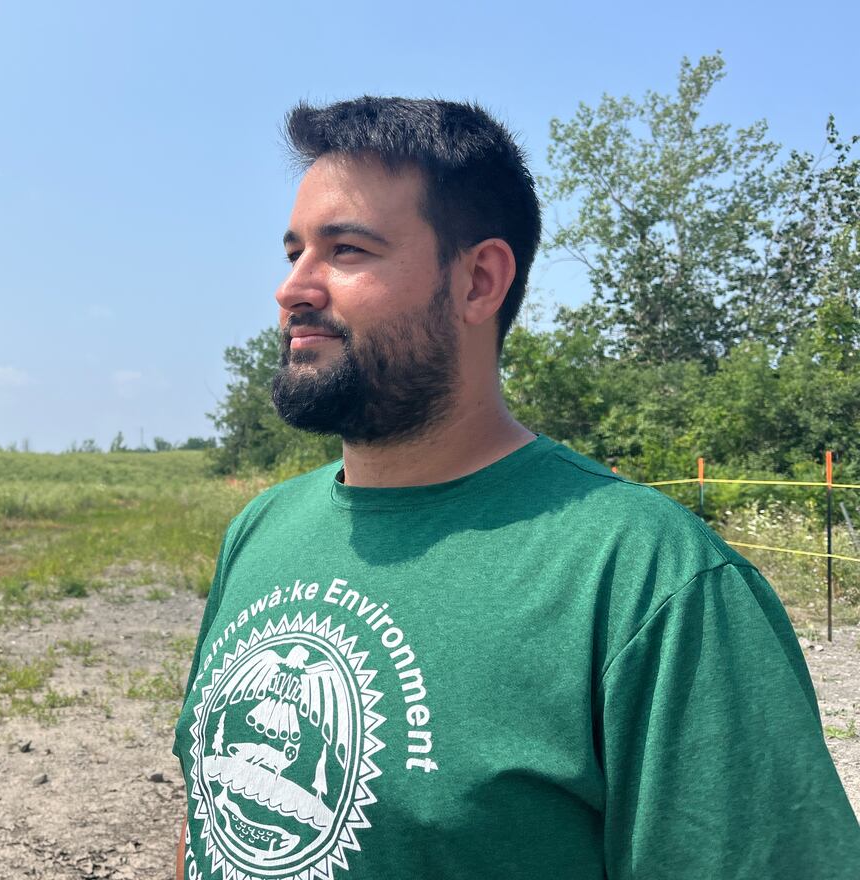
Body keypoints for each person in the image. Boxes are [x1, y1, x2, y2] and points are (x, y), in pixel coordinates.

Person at [172, 96, 860, 879]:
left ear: (478, 281)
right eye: (294, 252)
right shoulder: (261, 530)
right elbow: (207, 810)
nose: (293, 289)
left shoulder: (649, 580)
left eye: (347, 250)